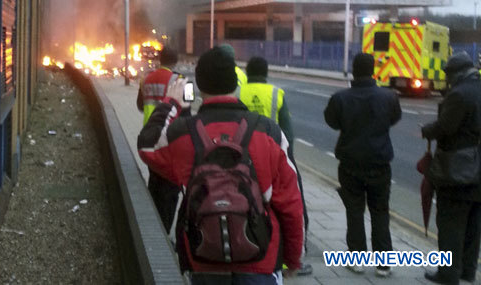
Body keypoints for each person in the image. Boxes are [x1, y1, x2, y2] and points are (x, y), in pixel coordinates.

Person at [138, 46, 304, 284]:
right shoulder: (269, 133)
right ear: (236, 84)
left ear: (199, 88)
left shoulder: (183, 133)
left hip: (203, 258)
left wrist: (171, 103)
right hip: (261, 262)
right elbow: (291, 205)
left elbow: (147, 146)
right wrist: (293, 258)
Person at [324, 52, 401, 278]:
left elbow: (331, 121)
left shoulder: (340, 98)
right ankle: (383, 264)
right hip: (380, 163)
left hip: (350, 164)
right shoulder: (389, 97)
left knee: (354, 211)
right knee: (380, 212)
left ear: (353, 72)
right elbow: (394, 118)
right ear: (373, 71)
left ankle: (357, 260)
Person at [239, 56, 312, 276]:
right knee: (293, 205)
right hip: (273, 153)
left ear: (248, 72)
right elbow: (288, 133)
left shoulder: (239, 92)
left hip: (244, 154)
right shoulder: (275, 93)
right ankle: (296, 256)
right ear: (266, 72)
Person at [421, 51, 481, 284]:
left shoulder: (459, 94)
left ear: (456, 74)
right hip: (478, 170)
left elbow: (446, 127)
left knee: (451, 223)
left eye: (449, 76)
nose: (447, 81)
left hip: (458, 171)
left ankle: (448, 273)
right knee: (474, 224)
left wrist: (427, 130)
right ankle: (467, 270)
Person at [136, 46, 182, 233]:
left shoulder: (146, 79)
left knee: (154, 181)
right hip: (171, 139)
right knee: (170, 188)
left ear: (159, 59)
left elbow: (140, 106)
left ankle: (153, 225)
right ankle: (164, 231)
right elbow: (187, 113)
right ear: (176, 61)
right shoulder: (180, 81)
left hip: (149, 137)